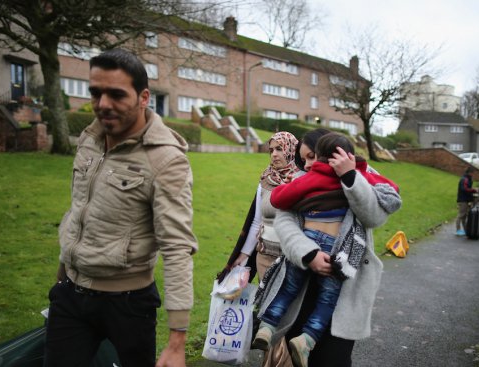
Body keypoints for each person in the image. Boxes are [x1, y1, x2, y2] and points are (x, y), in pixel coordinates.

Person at [44, 49, 198, 367]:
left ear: (144, 97)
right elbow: (78, 211)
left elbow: (177, 246)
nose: (102, 104)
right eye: (96, 93)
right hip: (71, 293)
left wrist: (177, 340)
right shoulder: (90, 138)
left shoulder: (166, 159)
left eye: (115, 94)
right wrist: (62, 275)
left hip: (128, 303)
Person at [255, 129, 402, 367]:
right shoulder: (302, 179)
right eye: (304, 159)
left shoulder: (361, 174)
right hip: (301, 281)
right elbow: (283, 218)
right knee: (301, 355)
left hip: (344, 281)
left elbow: (374, 217)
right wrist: (309, 253)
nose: (309, 164)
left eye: (313, 156)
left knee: (335, 359)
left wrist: (349, 178)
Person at [217, 131, 300, 367]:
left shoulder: (302, 180)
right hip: (264, 257)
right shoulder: (265, 179)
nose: (274, 154)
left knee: (283, 316)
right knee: (269, 314)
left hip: (289, 259)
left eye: (279, 149)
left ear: (291, 150)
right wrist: (243, 256)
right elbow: (256, 221)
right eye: (271, 149)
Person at [456, 167, 478, 236]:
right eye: (473, 173)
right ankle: (458, 230)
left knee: (464, 216)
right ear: (470, 173)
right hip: (463, 200)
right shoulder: (465, 179)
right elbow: (464, 189)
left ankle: (465, 230)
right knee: (461, 215)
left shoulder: (467, 179)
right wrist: (474, 190)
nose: (473, 174)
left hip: (465, 199)